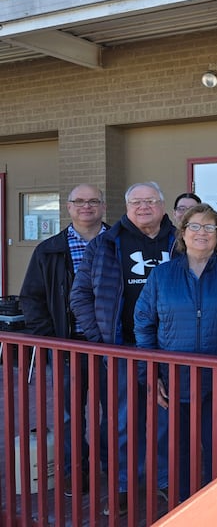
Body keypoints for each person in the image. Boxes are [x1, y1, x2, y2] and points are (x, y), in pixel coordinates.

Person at [71, 181, 175, 516]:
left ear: (162, 205)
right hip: (121, 348)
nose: (144, 207)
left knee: (165, 418)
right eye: (136, 202)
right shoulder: (105, 243)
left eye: (151, 201)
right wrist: (100, 339)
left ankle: (163, 480)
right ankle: (123, 484)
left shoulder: (180, 241)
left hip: (168, 348)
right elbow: (80, 295)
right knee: (121, 420)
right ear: (126, 207)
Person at [134, 204, 217, 501]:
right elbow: (144, 325)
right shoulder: (162, 275)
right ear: (182, 233)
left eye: (209, 227)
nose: (202, 233)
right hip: (174, 380)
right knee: (177, 449)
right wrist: (150, 374)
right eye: (194, 226)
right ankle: (182, 506)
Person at [19, 183, 109, 497]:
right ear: (68, 207)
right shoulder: (49, 249)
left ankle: (111, 471)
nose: (87, 206)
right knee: (70, 414)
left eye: (93, 201)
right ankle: (75, 471)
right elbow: (32, 298)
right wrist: (50, 340)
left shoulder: (118, 243)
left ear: (103, 206)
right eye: (79, 201)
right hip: (68, 348)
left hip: (111, 347)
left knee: (114, 414)